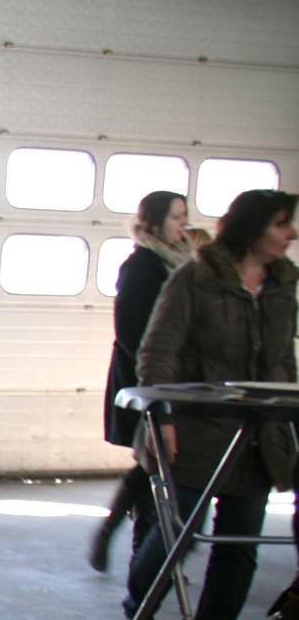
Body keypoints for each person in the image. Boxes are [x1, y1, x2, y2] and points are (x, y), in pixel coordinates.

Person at [121, 189, 299, 620]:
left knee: (239, 546)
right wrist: (163, 418)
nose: (292, 234)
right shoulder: (195, 278)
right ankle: (140, 605)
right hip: (195, 435)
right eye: (282, 224)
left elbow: (283, 362)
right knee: (178, 535)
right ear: (251, 227)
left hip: (258, 439)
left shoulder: (283, 285)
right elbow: (157, 351)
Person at [91, 190, 192, 573]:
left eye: (184, 216)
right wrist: (155, 381)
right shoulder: (142, 265)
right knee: (156, 464)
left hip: (176, 382)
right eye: (176, 217)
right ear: (155, 221)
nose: (184, 224)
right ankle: (142, 561)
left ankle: (141, 553)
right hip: (147, 382)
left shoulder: (183, 261)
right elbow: (131, 332)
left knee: (159, 466)